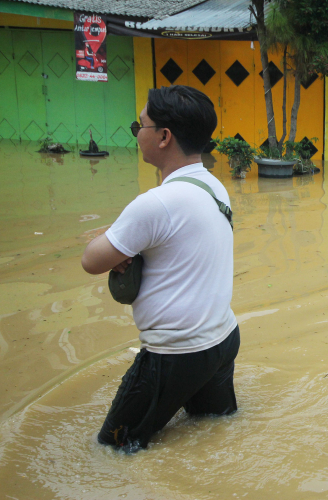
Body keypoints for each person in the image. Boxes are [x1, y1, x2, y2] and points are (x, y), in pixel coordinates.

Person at [81, 85, 239, 451]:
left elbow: (91, 260)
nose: (138, 135)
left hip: (176, 354)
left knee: (111, 450)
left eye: (141, 126)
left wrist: (111, 240)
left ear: (164, 136)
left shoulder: (155, 204)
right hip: (222, 338)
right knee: (213, 431)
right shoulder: (214, 187)